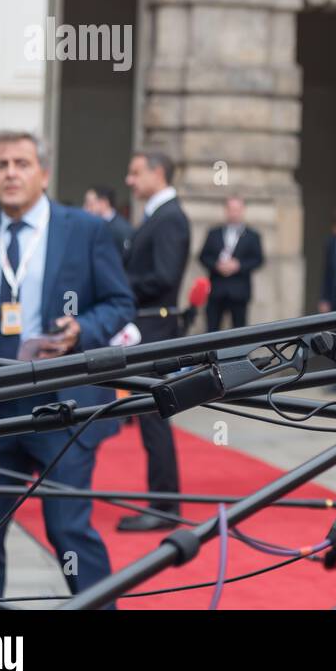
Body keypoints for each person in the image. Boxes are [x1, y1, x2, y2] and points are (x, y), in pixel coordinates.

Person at [0, 130, 133, 607]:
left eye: (22, 164)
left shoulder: (85, 230)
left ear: (44, 173)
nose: (11, 173)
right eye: (1, 164)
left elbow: (119, 301)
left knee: (68, 530)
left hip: (63, 407)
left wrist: (83, 329)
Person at [118, 150, 190, 532]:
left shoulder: (170, 218)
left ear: (157, 173)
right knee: (151, 418)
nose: (130, 181)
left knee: (154, 417)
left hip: (155, 328)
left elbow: (163, 277)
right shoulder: (158, 216)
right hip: (147, 326)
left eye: (135, 173)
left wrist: (117, 287)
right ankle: (163, 501)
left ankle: (164, 504)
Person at [198, 194, 263, 331]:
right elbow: (203, 256)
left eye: (237, 209)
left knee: (239, 331)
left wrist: (238, 265)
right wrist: (216, 265)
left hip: (239, 291)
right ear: (226, 210)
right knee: (212, 330)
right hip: (216, 290)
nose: (234, 213)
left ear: (242, 210)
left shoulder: (252, 235)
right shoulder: (214, 233)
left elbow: (258, 259)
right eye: (231, 209)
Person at [83, 184, 133, 258]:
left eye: (89, 204)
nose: (85, 209)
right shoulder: (93, 226)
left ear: (104, 203)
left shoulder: (121, 229)